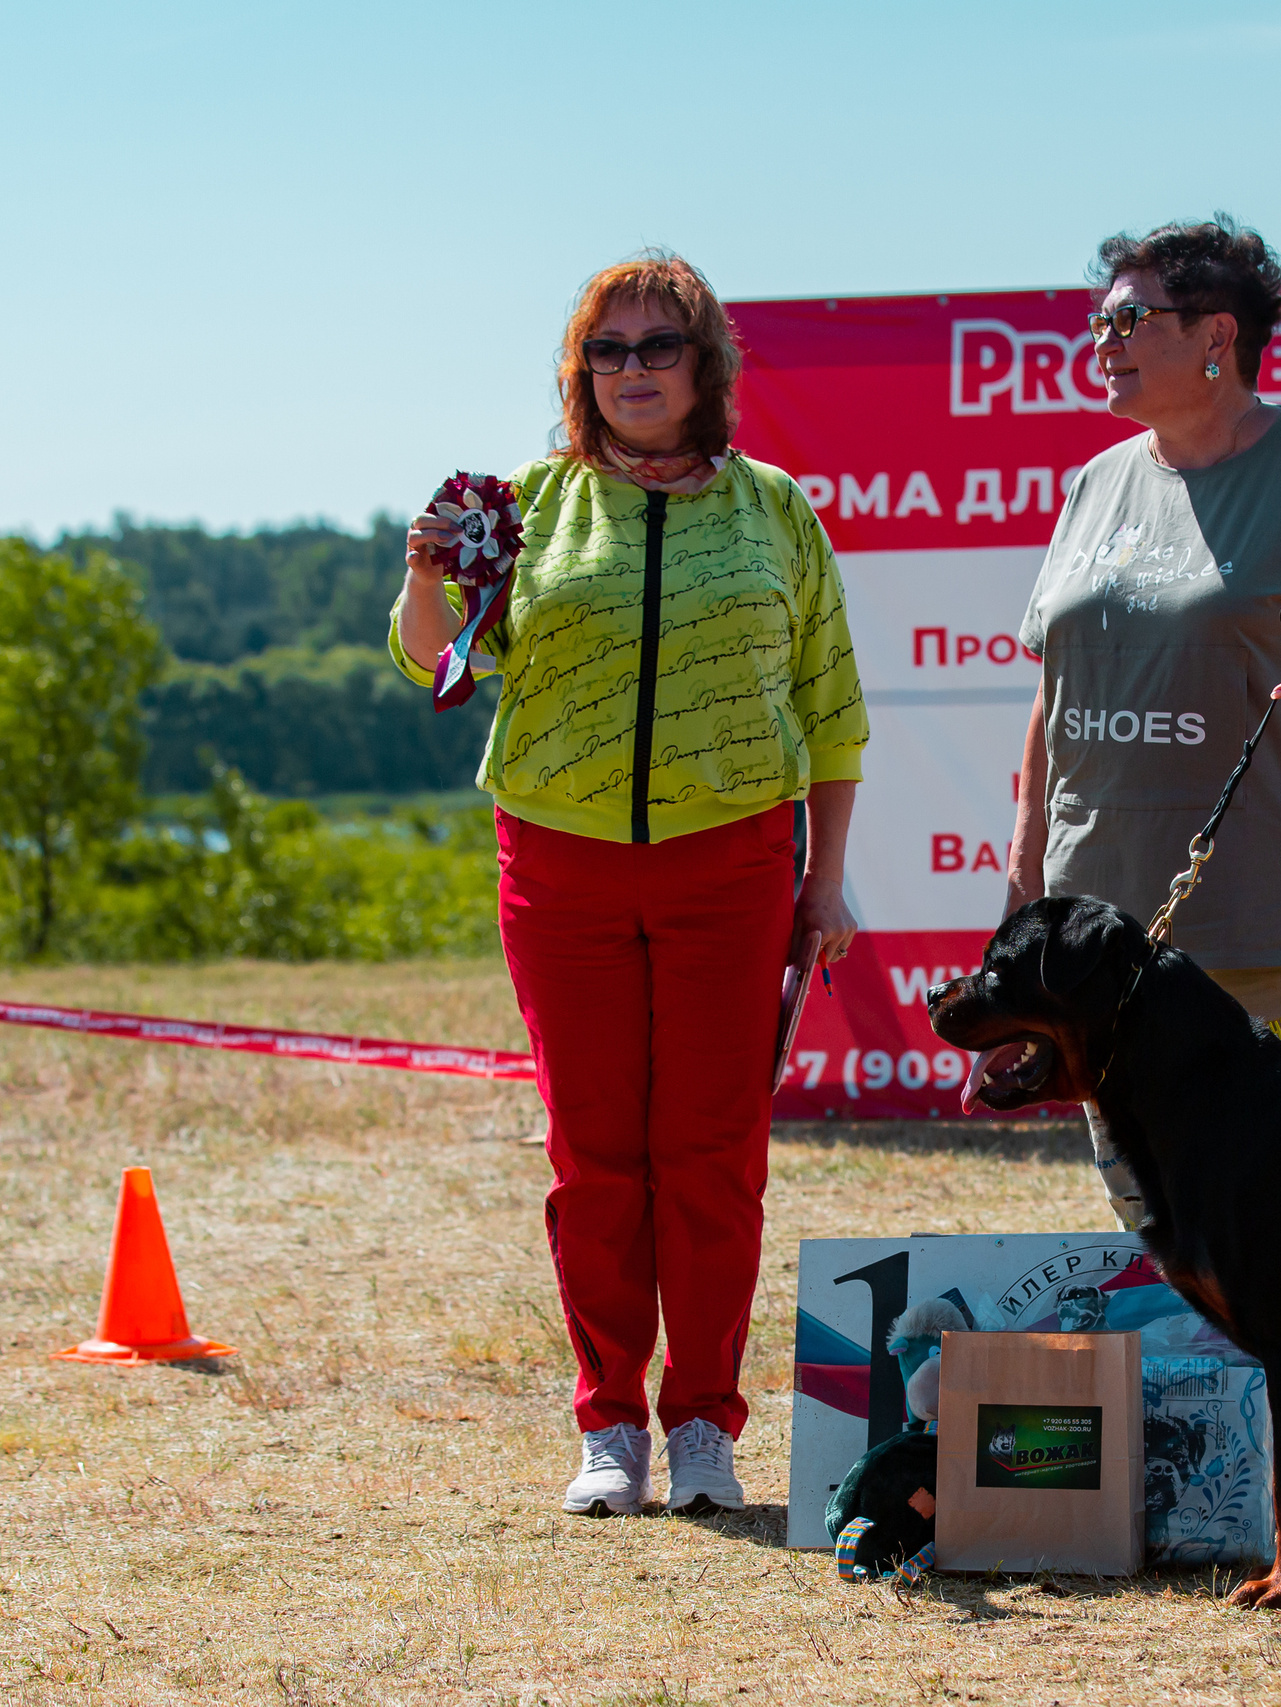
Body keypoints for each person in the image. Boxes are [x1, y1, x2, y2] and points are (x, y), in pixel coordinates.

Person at [390, 251, 867, 1518]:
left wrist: (826, 881)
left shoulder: (775, 509)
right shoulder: (528, 507)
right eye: (608, 352)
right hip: (560, 860)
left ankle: (705, 1418)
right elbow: (435, 662)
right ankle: (610, 1424)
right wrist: (426, 573)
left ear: (705, 365)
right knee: (595, 1156)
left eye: (660, 347)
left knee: (711, 1154)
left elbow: (829, 709)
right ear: (579, 374)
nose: (633, 371)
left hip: (738, 862)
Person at [1004, 215, 1281, 1509]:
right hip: (1097, 939)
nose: (1106, 342)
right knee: (1154, 1208)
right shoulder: (1096, 485)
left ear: (1218, 339)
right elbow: (1051, 694)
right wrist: (1028, 883)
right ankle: (1193, 1469)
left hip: (1265, 914)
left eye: (1132, 320)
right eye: (1102, 320)